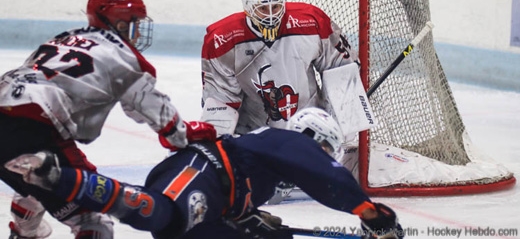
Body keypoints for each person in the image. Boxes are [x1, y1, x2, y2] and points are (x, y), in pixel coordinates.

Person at [5, 108, 405, 239]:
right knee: (164, 214)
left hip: (215, 193)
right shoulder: (291, 142)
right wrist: (368, 212)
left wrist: (249, 223)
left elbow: (239, 202)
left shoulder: (272, 165)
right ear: (312, 137)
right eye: (324, 149)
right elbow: (323, 174)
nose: (324, 157)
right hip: (202, 170)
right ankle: (58, 176)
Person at [0, 0, 189, 238]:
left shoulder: (63, 37)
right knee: (92, 216)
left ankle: (24, 232)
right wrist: (184, 137)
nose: (139, 31)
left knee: (40, 176)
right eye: (135, 23)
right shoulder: (123, 56)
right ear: (120, 23)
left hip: (10, 114)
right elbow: (157, 115)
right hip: (33, 128)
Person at [199, 0, 358, 137]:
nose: (270, 15)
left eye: (275, 6)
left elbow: (342, 71)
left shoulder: (311, 22)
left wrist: (341, 130)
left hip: (310, 128)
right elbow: (221, 102)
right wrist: (220, 145)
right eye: (262, 8)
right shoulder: (222, 41)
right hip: (254, 134)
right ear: (248, 7)